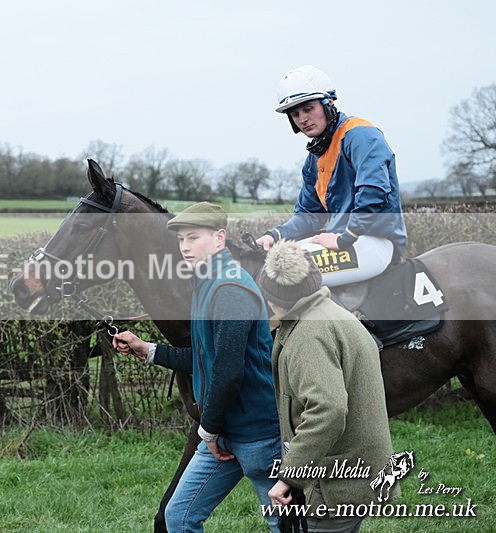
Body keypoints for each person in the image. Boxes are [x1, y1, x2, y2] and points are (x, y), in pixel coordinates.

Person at [113, 202, 281, 532]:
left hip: (258, 437)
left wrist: (209, 430)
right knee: (180, 517)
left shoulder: (230, 290)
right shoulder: (205, 283)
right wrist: (147, 350)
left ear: (220, 238)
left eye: (194, 238)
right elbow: (206, 358)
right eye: (180, 240)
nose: (185, 247)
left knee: (285, 525)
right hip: (223, 433)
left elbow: (229, 372)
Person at [256, 240, 397, 532]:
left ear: (272, 296)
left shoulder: (310, 334)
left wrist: (289, 476)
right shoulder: (330, 312)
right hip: (354, 473)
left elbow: (328, 410)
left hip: (335, 486)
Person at [256, 65, 408, 286]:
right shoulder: (314, 158)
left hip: (376, 242)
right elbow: (310, 215)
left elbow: (374, 194)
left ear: (329, 103)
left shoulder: (361, 134)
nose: (302, 118)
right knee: (268, 267)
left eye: (308, 109)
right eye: (295, 114)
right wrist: (275, 235)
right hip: (341, 240)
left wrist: (346, 237)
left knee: (284, 274)